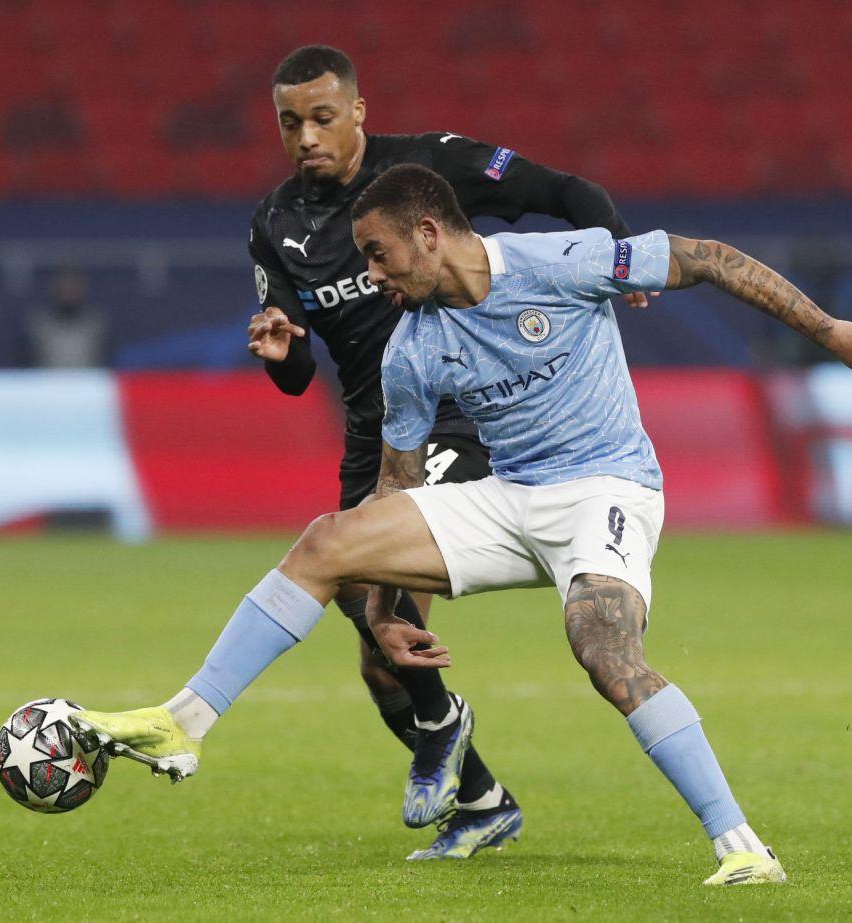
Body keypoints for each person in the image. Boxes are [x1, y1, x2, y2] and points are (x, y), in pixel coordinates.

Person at [74, 164, 852, 884]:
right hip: (510, 498)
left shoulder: (563, 262)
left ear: (429, 234)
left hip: (606, 487)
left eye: (377, 254)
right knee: (328, 541)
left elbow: (709, 259)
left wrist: (828, 331)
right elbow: (395, 492)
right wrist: (383, 615)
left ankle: (742, 846)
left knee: (603, 647)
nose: (370, 276)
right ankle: (185, 722)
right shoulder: (411, 347)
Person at [242, 44, 653, 858]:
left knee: (374, 583)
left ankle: (442, 723)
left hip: (462, 413)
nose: (307, 137)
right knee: (376, 660)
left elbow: (564, 192)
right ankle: (481, 799)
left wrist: (618, 252)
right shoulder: (276, 226)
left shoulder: (430, 170)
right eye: (291, 123)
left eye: (323, 117)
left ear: (358, 110)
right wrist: (283, 348)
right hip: (377, 427)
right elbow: (294, 377)